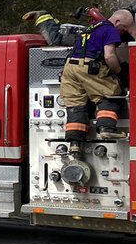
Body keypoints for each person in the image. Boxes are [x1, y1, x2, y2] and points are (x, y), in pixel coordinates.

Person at [28, 8, 134, 156]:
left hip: (69, 69)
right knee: (111, 93)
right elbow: (109, 56)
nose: (121, 33)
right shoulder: (110, 29)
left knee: (76, 105)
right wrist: (120, 73)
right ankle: (106, 129)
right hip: (89, 67)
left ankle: (75, 144)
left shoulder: (90, 30)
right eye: (123, 28)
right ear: (117, 22)